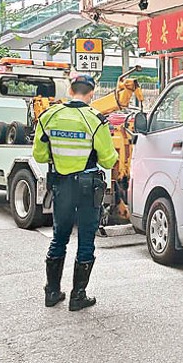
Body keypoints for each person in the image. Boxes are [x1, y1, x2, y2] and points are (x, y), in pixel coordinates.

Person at [32, 74, 118, 311]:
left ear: (70, 90)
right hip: (88, 188)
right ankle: (78, 296)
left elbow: (39, 155)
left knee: (59, 236)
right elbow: (109, 160)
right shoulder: (95, 119)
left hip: (61, 186)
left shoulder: (48, 116)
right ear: (92, 93)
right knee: (86, 239)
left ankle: (52, 292)